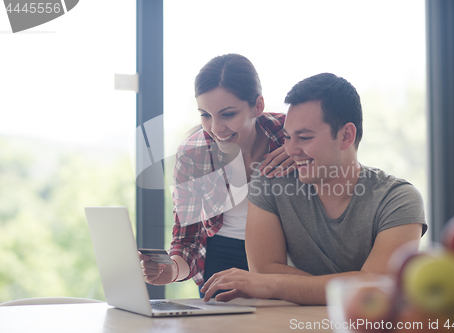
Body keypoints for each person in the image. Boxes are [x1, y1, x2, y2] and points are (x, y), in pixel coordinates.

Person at [200, 73, 427, 305]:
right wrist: (344, 285)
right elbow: (263, 270)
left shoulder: (399, 199)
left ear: (346, 136)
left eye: (305, 137)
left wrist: (276, 285)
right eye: (287, 137)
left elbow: (375, 290)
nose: (291, 150)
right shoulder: (270, 182)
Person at [139, 54, 294, 296]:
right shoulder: (193, 155)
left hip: (283, 260)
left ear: (258, 106)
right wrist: (170, 271)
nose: (216, 128)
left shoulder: (291, 136)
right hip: (220, 264)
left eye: (228, 114)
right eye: (205, 115)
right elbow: (186, 241)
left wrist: (303, 154)